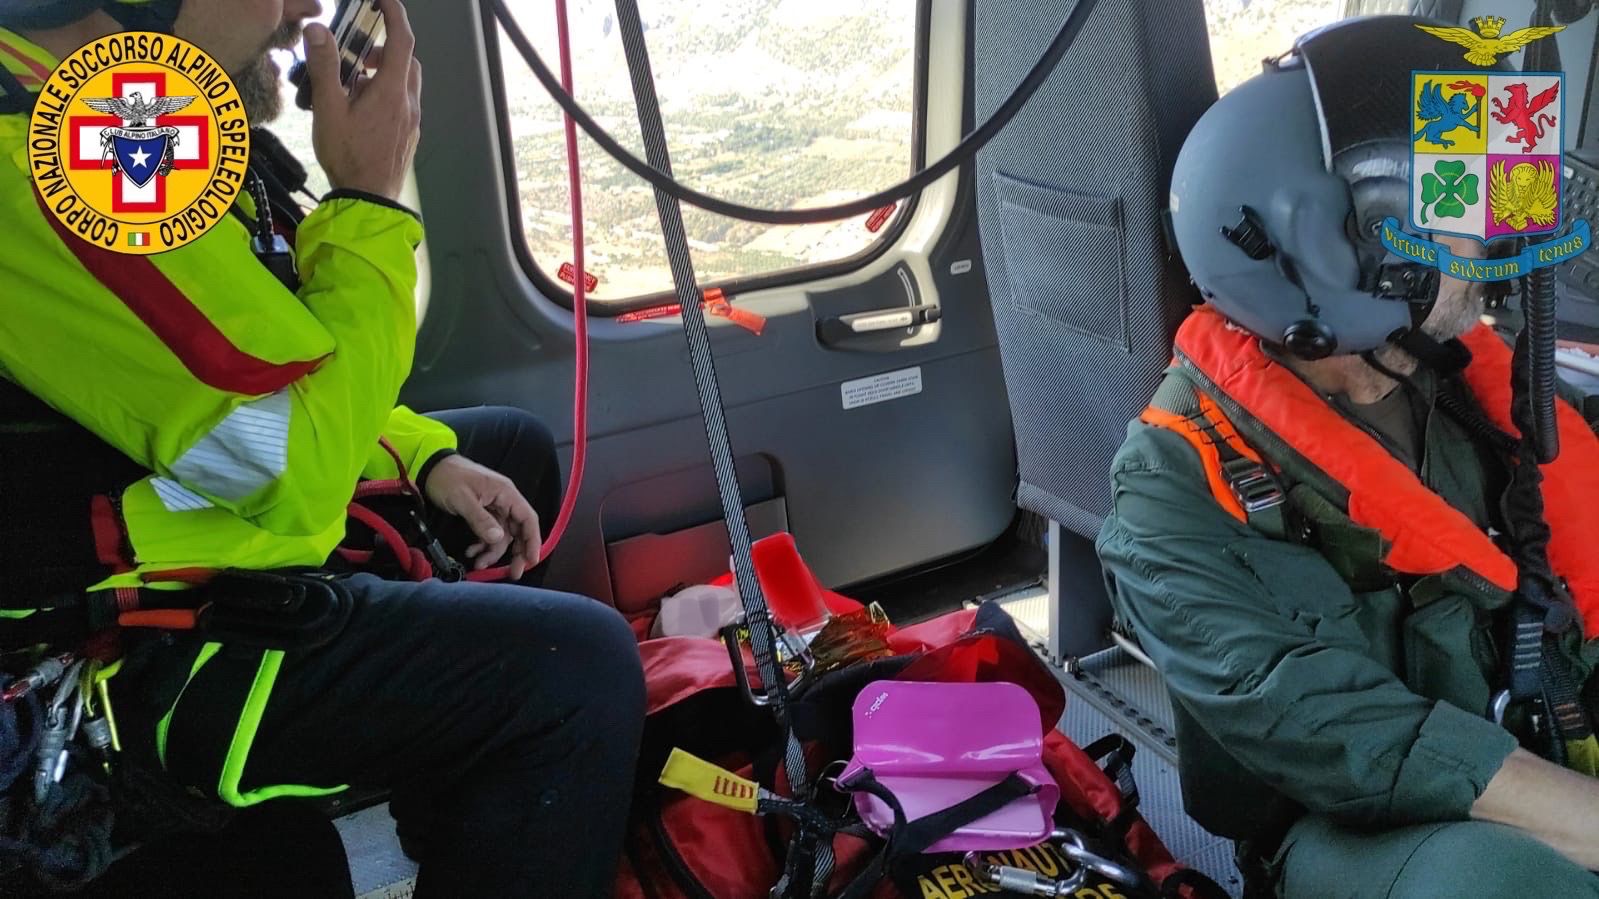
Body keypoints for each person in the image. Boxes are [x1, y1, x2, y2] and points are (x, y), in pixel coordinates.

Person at [0, 0, 644, 895]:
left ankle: (465, 808)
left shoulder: (110, 112)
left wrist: (423, 456)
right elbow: (295, 465)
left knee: (512, 451)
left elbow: (274, 357)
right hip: (128, 640)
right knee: (579, 673)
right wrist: (369, 199)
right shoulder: (45, 166)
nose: (305, 10)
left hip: (215, 531)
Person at [1095, 16, 1599, 899]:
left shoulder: (1464, 384)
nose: (1490, 242)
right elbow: (1356, 740)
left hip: (1549, 732)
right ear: (1340, 248)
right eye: (1457, 215)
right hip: (1364, 831)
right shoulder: (1167, 498)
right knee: (1490, 882)